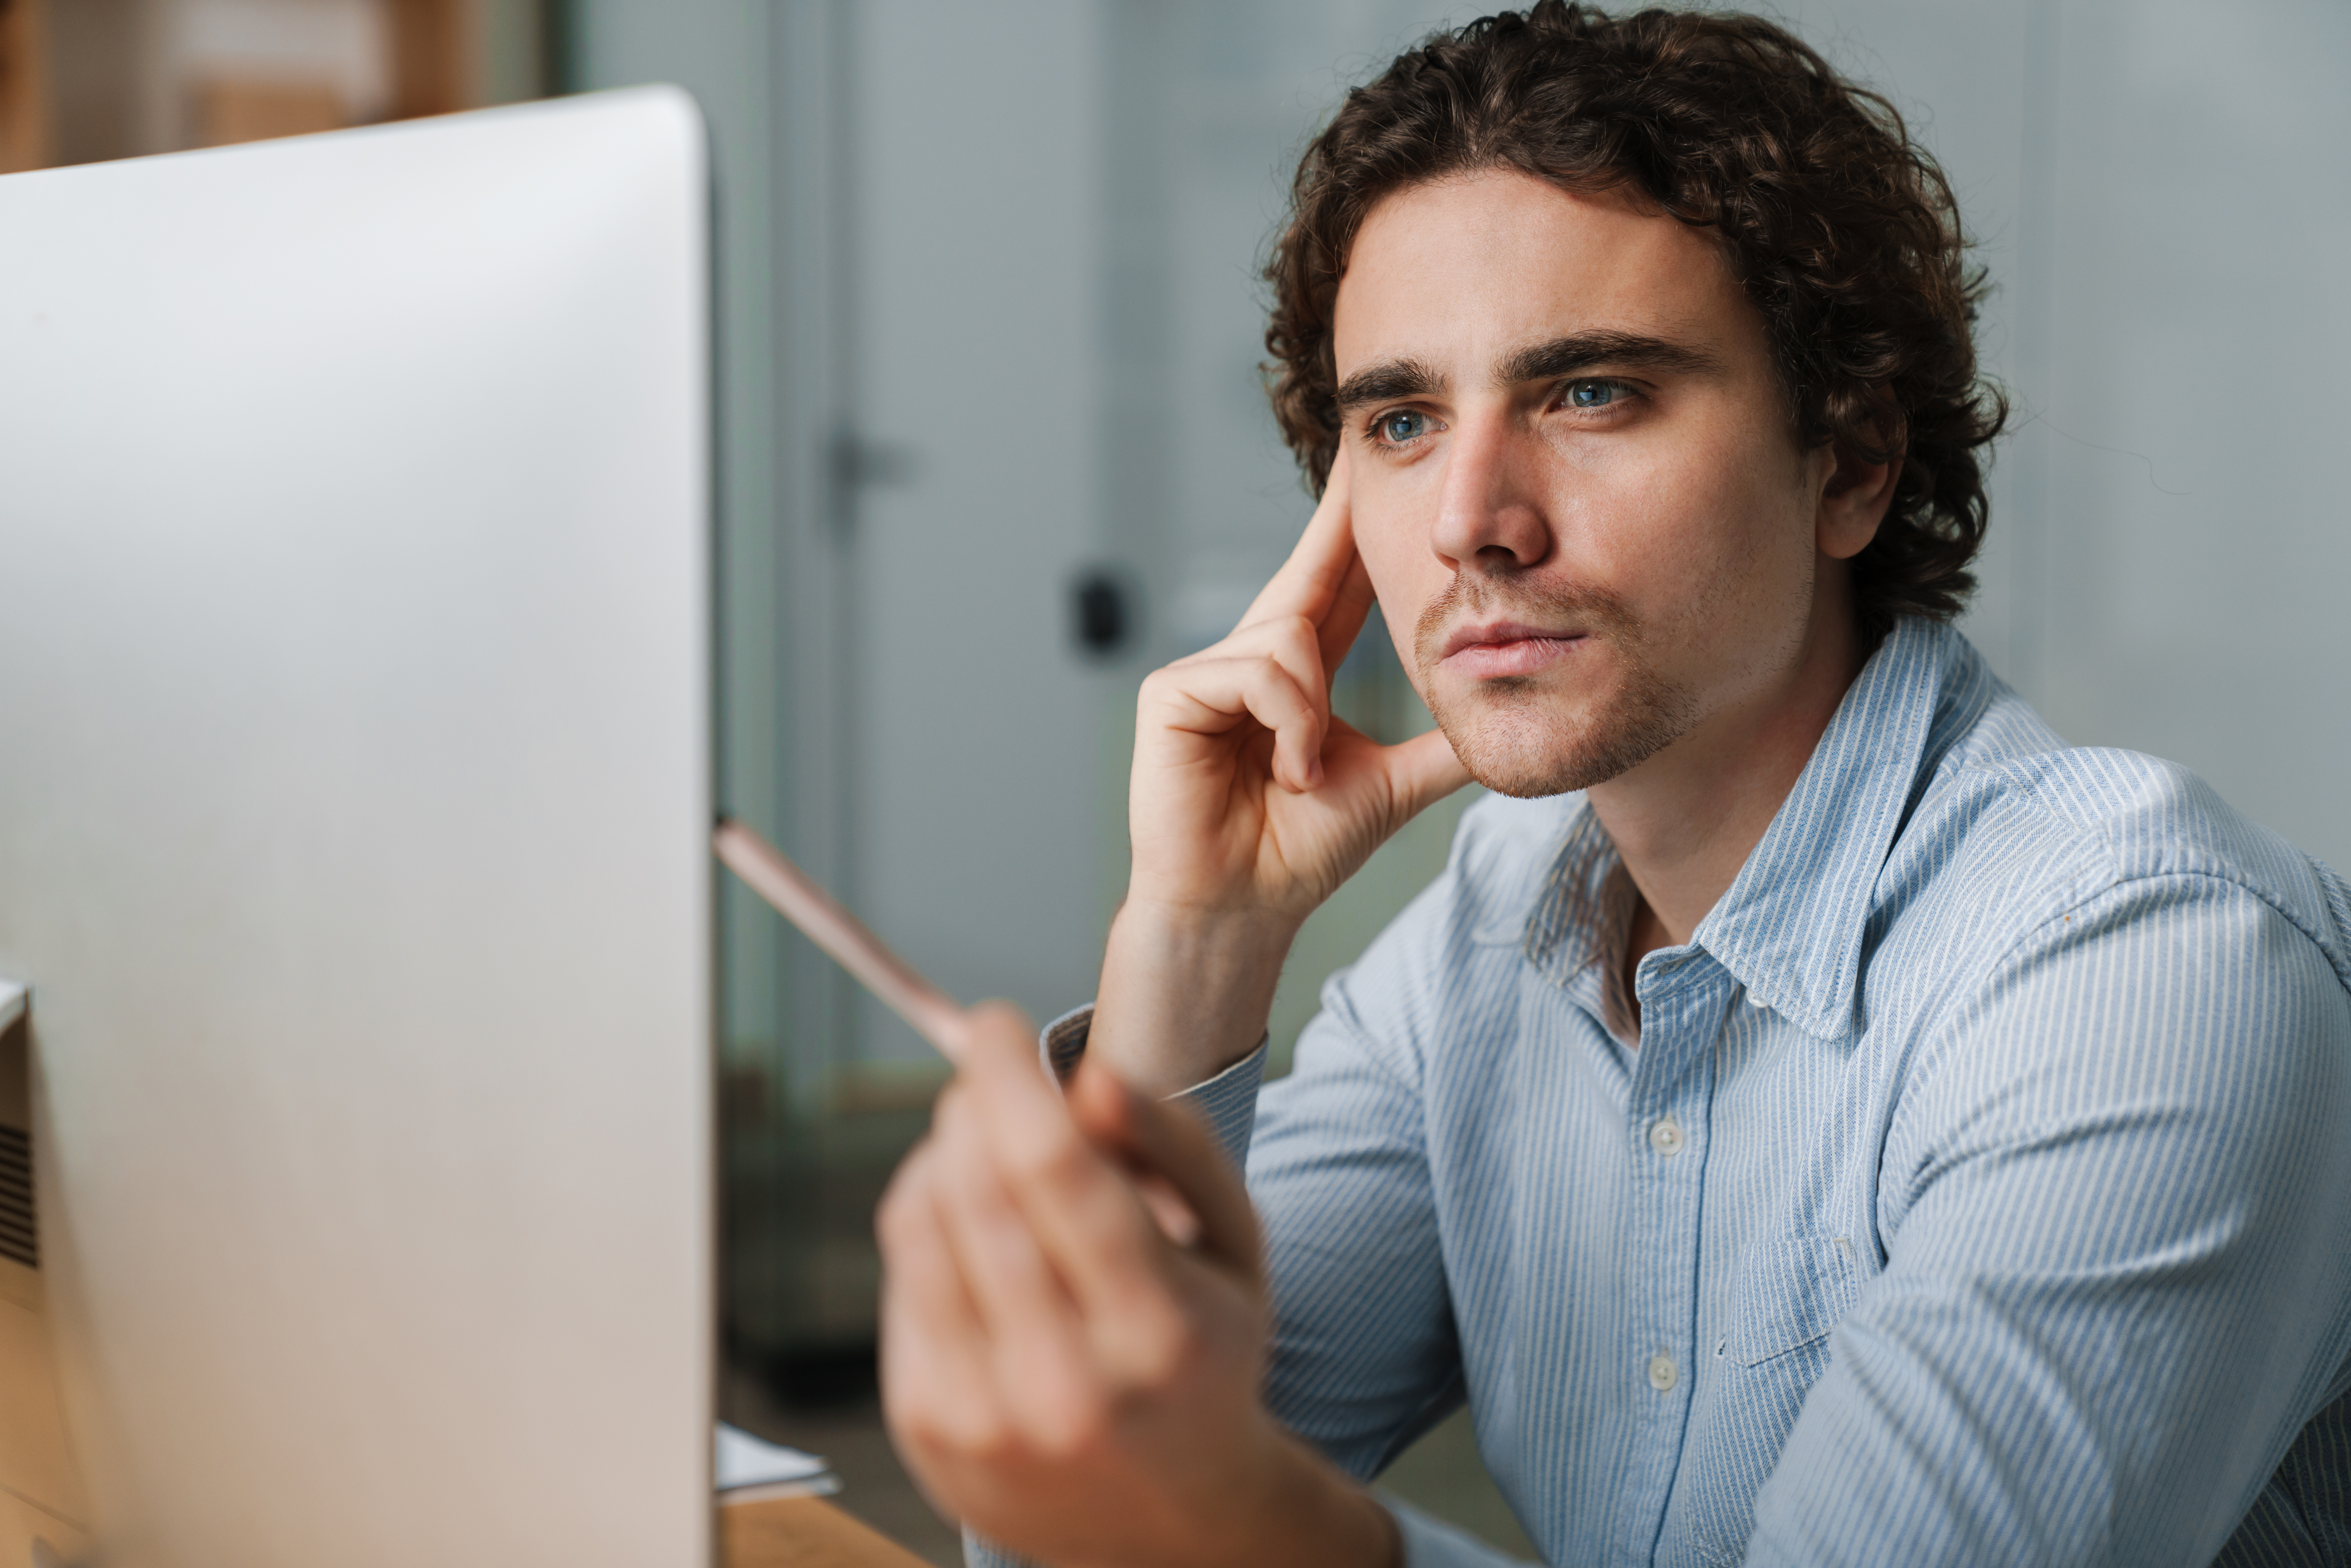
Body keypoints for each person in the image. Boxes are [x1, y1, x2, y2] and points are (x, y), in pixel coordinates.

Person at [875, 5, 2351, 1565]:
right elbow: (1080, 1520)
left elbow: (1195, 1512)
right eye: (1400, 419)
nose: (1470, 521)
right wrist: (1195, 942)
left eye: (1590, 393)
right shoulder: (1494, 932)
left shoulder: (2148, 963)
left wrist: (1244, 1519)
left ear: (1848, 461)